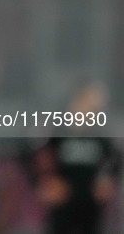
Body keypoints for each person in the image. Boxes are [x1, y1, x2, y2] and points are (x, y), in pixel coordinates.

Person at [31, 80, 121, 233]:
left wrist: (110, 180)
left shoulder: (102, 132)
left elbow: (116, 159)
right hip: (62, 208)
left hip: (92, 207)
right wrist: (43, 183)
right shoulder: (56, 129)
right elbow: (34, 156)